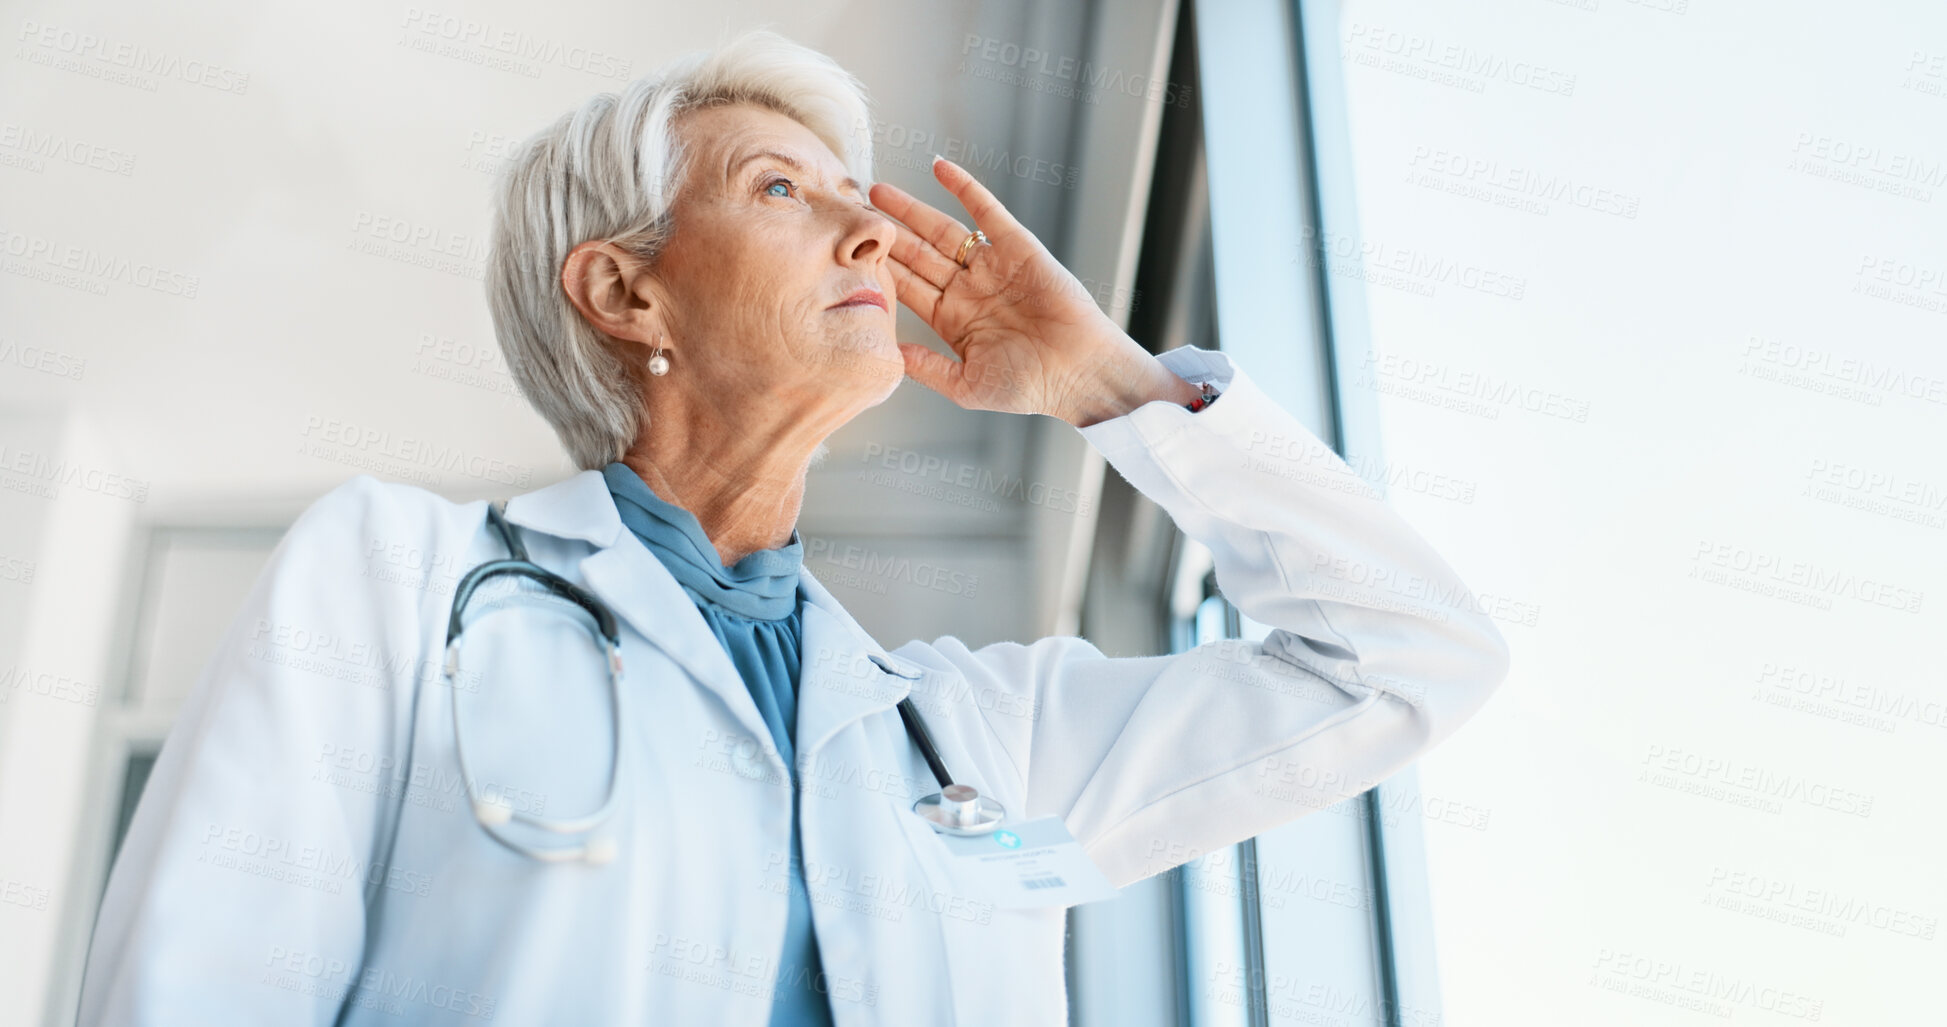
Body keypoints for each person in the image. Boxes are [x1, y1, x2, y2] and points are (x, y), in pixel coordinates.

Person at [75, 28, 1510, 1025]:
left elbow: (1406, 659)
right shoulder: (395, 580)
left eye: (853, 195)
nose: (869, 229)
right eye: (780, 189)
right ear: (628, 295)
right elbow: (202, 996)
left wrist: (1113, 387)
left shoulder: (974, 743)